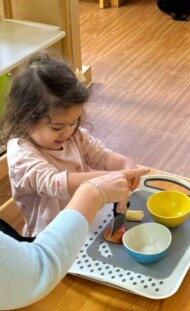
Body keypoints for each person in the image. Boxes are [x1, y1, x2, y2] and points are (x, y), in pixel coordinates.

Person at [0, 51, 141, 237]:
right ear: (25, 117)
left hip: (86, 224)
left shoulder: (73, 136)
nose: (67, 132)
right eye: (57, 127)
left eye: (73, 122)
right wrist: (106, 179)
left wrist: (125, 165)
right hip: (49, 241)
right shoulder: (22, 153)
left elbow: (102, 156)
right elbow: (54, 183)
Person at [0, 167, 150, 310]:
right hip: (47, 269)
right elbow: (34, 274)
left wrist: (117, 175)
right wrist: (94, 191)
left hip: (62, 249)